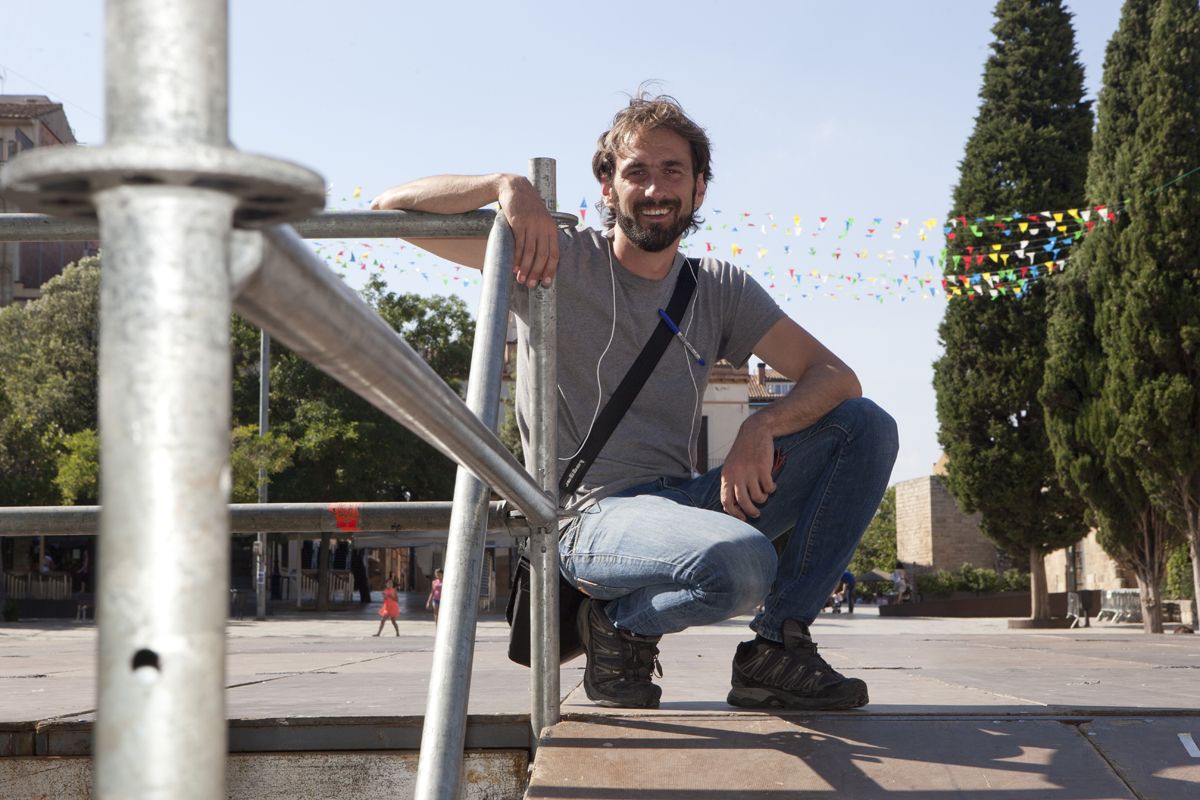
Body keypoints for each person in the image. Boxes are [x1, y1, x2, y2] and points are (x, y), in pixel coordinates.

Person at [371, 89, 897, 711]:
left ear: (700, 188)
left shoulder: (717, 287)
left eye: (673, 171)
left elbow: (835, 375)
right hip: (586, 514)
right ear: (607, 187)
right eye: (636, 172)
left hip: (681, 501)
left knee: (864, 427)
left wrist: (762, 426)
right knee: (743, 562)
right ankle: (622, 626)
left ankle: (776, 649)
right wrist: (504, 185)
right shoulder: (553, 258)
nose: (655, 189)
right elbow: (393, 207)